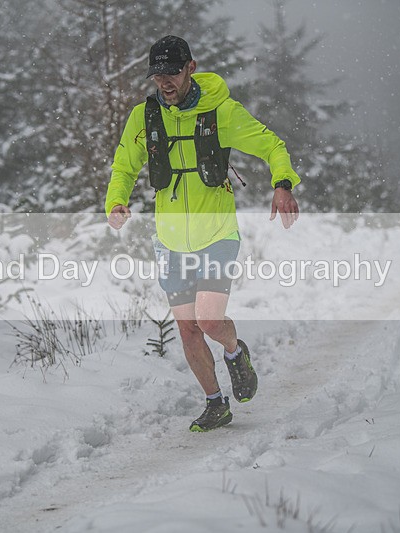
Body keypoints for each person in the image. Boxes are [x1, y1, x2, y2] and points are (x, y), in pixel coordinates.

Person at [105, 35, 301, 432]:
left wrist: (283, 184)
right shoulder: (144, 118)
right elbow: (124, 165)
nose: (164, 83)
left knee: (209, 321)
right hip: (171, 240)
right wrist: (116, 201)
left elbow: (271, 145)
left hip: (216, 234)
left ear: (190, 68)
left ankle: (234, 351)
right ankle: (216, 403)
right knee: (187, 327)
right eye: (156, 75)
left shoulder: (220, 113)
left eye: (171, 73)